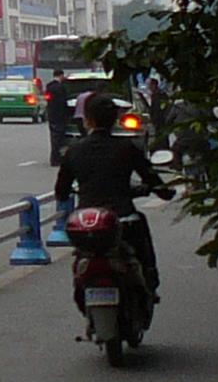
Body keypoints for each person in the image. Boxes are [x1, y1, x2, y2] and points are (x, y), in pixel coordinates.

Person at [54, 89, 176, 298]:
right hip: (123, 217)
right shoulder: (127, 147)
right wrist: (163, 192)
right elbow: (152, 179)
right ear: (115, 119)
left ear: (88, 120)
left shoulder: (74, 151)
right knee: (143, 252)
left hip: (86, 223)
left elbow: (61, 192)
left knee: (80, 260)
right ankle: (150, 285)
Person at [44, 74, 72, 163]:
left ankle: (54, 158)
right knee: (59, 138)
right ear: (61, 75)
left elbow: (48, 99)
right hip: (60, 116)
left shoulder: (49, 86)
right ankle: (57, 158)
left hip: (52, 115)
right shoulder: (61, 87)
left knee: (54, 137)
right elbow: (64, 102)